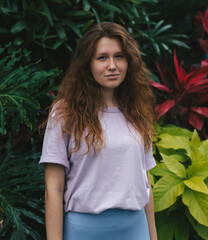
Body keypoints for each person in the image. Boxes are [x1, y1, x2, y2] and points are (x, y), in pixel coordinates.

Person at [39, 22, 157, 240]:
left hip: (136, 230)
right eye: (102, 57)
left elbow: (146, 183)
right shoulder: (65, 113)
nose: (112, 65)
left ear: (129, 61)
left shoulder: (137, 110)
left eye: (119, 56)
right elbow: (53, 190)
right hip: (85, 231)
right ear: (87, 64)